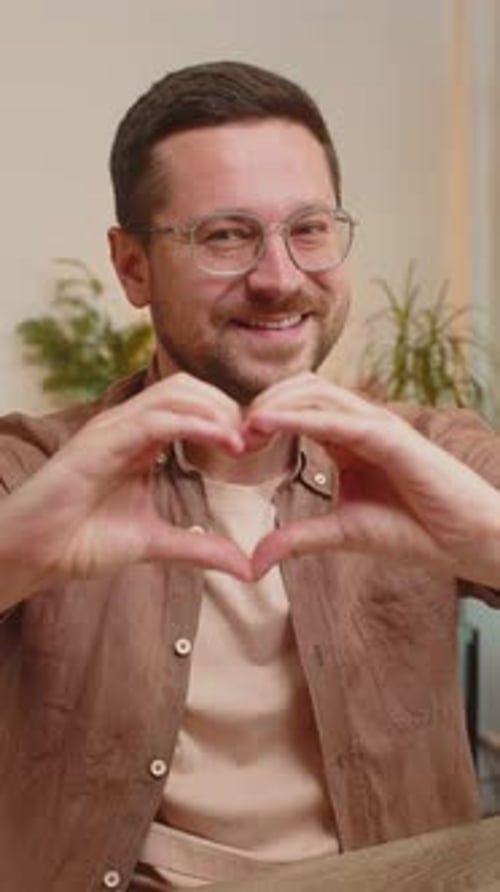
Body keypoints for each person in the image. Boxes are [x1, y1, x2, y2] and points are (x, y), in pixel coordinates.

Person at [1, 60, 499, 892]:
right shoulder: (38, 467)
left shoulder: (435, 453)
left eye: (308, 229)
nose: (278, 278)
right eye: (225, 236)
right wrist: (16, 549)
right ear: (132, 268)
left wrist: (486, 537)